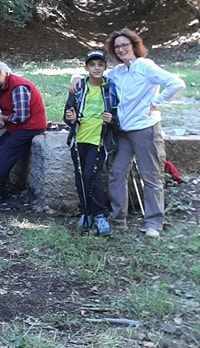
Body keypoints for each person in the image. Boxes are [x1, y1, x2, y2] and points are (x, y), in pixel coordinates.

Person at [102, 28, 184, 237]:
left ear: (134, 46)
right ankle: (117, 219)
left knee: (151, 176)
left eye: (125, 45)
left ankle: (153, 224)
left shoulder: (145, 66)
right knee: (117, 173)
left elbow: (176, 83)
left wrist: (156, 102)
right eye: (117, 46)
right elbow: (97, 77)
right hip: (123, 131)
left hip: (145, 129)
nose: (121, 49)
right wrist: (76, 77)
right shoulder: (118, 72)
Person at [0, 59, 46, 206]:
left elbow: (21, 116)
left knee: (4, 152)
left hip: (31, 126)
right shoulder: (1, 86)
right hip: (18, 126)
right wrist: (2, 120)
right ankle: (0, 188)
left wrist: (5, 118)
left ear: (5, 72)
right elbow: (11, 112)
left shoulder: (17, 86)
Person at [64, 50, 118, 236]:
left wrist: (112, 119)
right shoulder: (78, 88)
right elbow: (67, 114)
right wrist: (70, 118)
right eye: (92, 65)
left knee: (90, 176)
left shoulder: (111, 88)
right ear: (86, 67)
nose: (96, 68)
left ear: (105, 67)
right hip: (79, 139)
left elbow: (119, 113)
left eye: (100, 65)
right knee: (80, 178)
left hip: (99, 140)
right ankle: (86, 213)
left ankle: (100, 214)